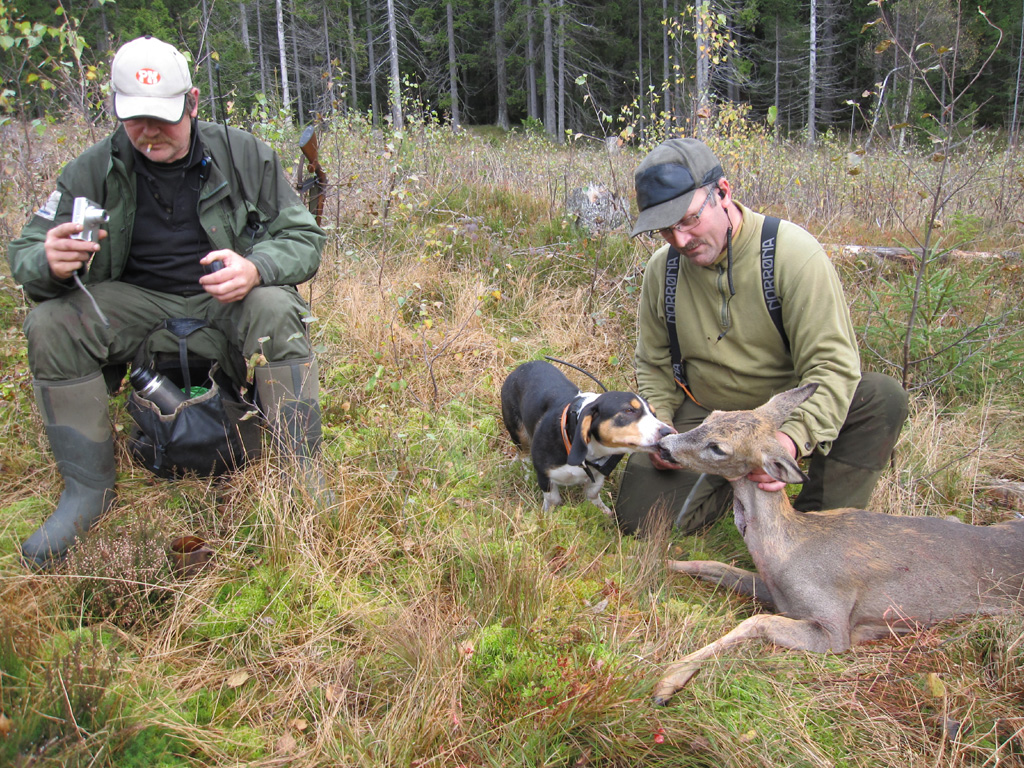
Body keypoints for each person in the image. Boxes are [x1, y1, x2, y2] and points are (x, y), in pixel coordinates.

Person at [7, 36, 328, 569]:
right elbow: (24, 253)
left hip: (225, 301)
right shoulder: (91, 171)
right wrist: (48, 259)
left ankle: (301, 478)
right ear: (115, 109)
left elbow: (303, 237)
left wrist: (256, 268)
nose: (149, 131)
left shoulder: (242, 153)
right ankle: (88, 493)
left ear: (193, 103)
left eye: (163, 116)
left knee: (275, 307)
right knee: (50, 322)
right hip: (134, 307)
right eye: (135, 118)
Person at [615, 138, 908, 535]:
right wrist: (662, 426)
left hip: (781, 411)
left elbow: (832, 366)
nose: (680, 240)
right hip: (705, 416)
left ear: (722, 192)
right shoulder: (662, 271)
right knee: (639, 523)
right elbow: (654, 363)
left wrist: (790, 439)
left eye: (687, 220)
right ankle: (726, 476)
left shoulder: (792, 255)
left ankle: (817, 518)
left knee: (880, 398)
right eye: (666, 230)